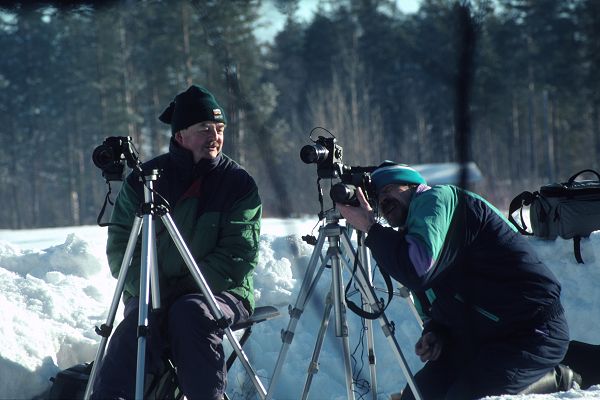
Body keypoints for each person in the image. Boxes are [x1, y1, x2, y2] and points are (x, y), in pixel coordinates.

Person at [336, 163, 570, 399]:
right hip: (482, 338)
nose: (383, 202)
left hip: (531, 332)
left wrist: (371, 228)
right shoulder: (414, 233)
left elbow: (416, 270)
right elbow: (434, 293)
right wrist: (436, 332)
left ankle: (557, 377)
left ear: (412, 186)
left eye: (388, 190)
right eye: (377, 199)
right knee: (417, 395)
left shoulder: (437, 199)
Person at [91, 85, 262, 400]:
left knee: (191, 313)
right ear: (180, 135)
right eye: (204, 129)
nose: (215, 136)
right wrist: (150, 289)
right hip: (151, 291)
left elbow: (239, 255)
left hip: (223, 292)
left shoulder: (238, 184)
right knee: (137, 324)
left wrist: (178, 291)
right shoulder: (144, 182)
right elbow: (121, 249)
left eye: (219, 129)